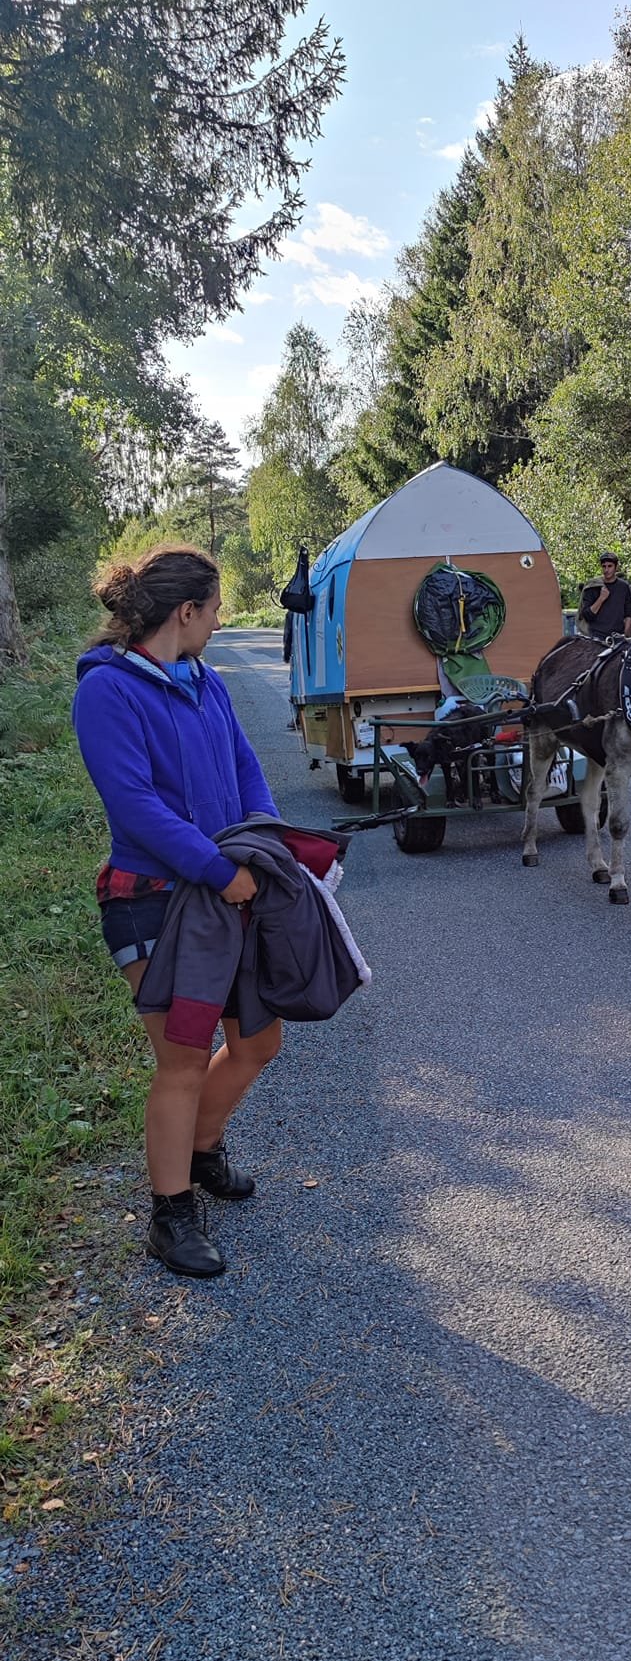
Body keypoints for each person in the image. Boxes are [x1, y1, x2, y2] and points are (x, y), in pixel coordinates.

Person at [72, 546, 283, 1277]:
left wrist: (265, 841)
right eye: (215, 610)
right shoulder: (107, 690)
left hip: (227, 888)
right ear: (185, 611)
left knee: (258, 1041)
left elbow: (247, 766)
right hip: (154, 900)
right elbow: (134, 805)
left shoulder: (205, 680)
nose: (220, 622)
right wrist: (220, 871)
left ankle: (200, 1149)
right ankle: (171, 1215)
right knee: (184, 1058)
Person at [578, 553, 631, 641]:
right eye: (604, 566)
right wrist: (601, 598)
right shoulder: (593, 586)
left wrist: (626, 634)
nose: (606, 570)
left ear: (616, 567)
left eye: (610, 566)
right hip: (596, 637)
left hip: (618, 637)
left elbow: (628, 613)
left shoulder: (624, 587)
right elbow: (587, 615)